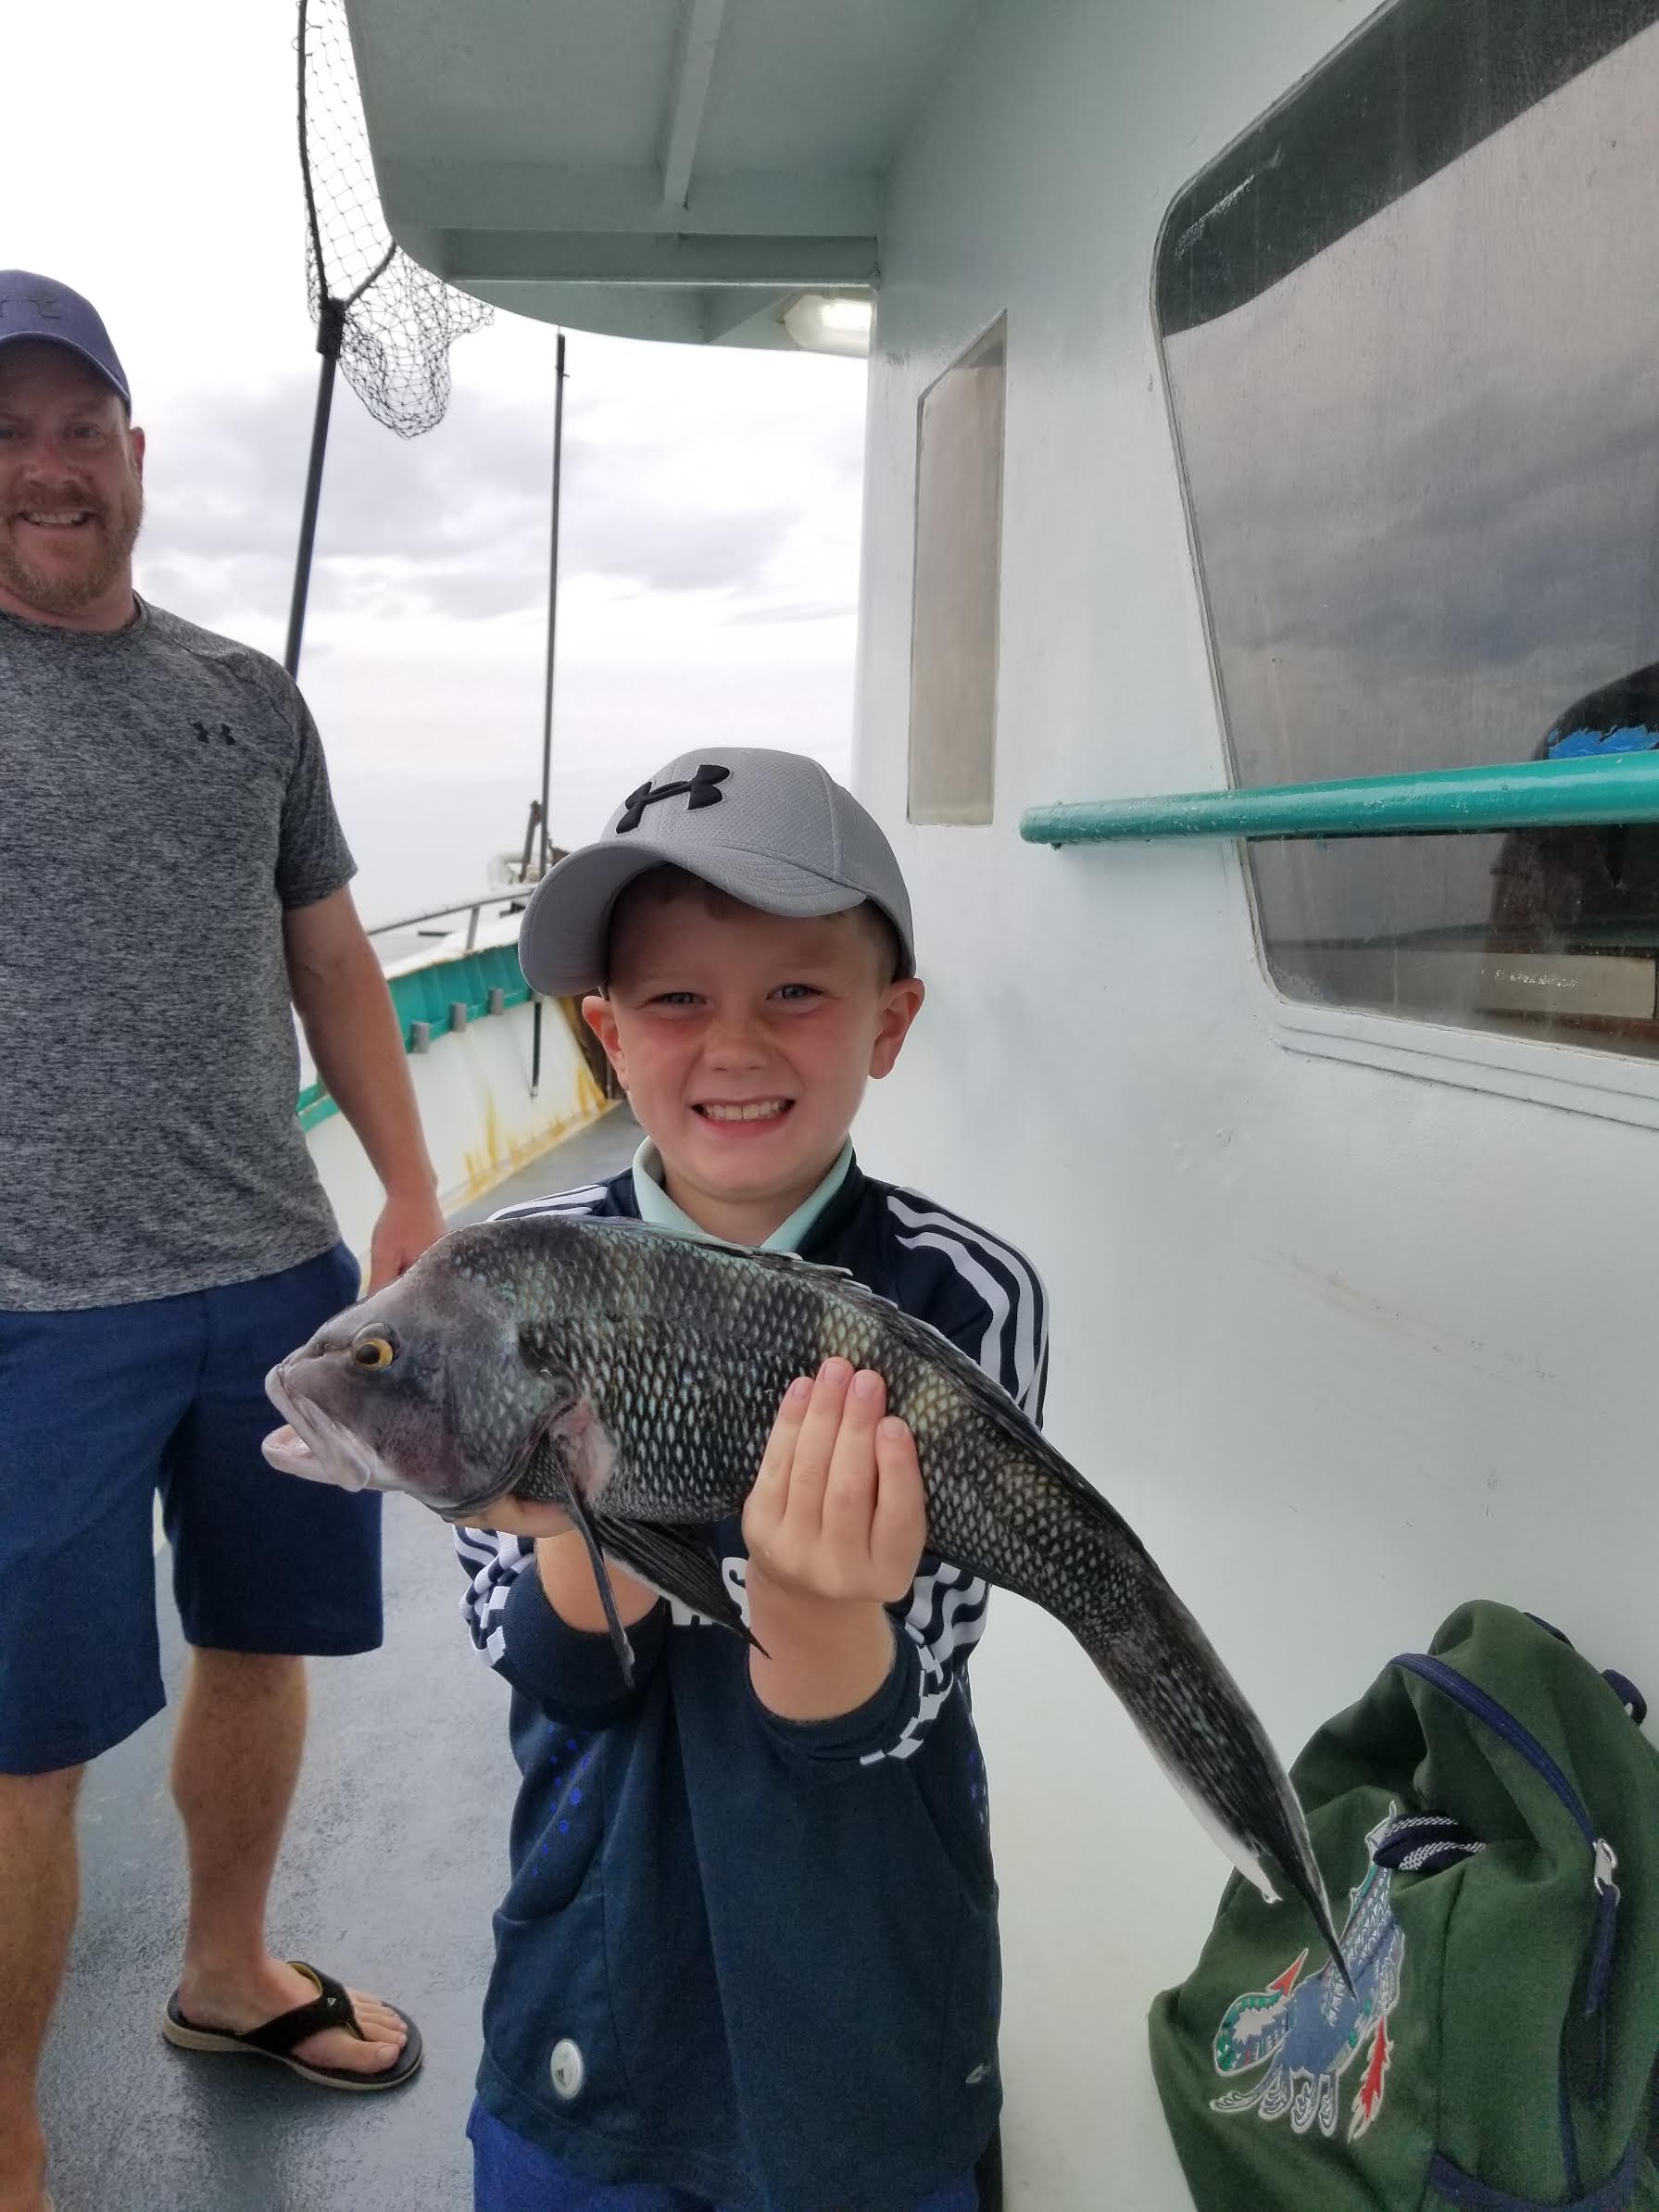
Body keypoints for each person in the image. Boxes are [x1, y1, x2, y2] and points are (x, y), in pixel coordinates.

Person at [454, 747, 1049, 2212]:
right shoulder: (498, 1285)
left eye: (796, 991)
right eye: (672, 1000)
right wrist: (580, 1532)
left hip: (867, 1996)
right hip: (591, 1973)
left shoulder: (963, 1298)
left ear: (889, 1023)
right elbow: (540, 1670)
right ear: (605, 1033)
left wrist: (818, 1608)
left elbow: (912, 1695)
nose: (734, 1046)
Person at [0, 273, 442, 2212]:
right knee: (29, 1751)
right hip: (30, 1312)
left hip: (274, 1272)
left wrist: (411, 1195)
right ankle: (6, 2123)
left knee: (262, 1649)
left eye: (77, 427)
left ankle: (222, 1971)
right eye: (5, 434)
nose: (45, 466)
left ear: (137, 457)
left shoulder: (246, 700)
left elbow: (330, 948)